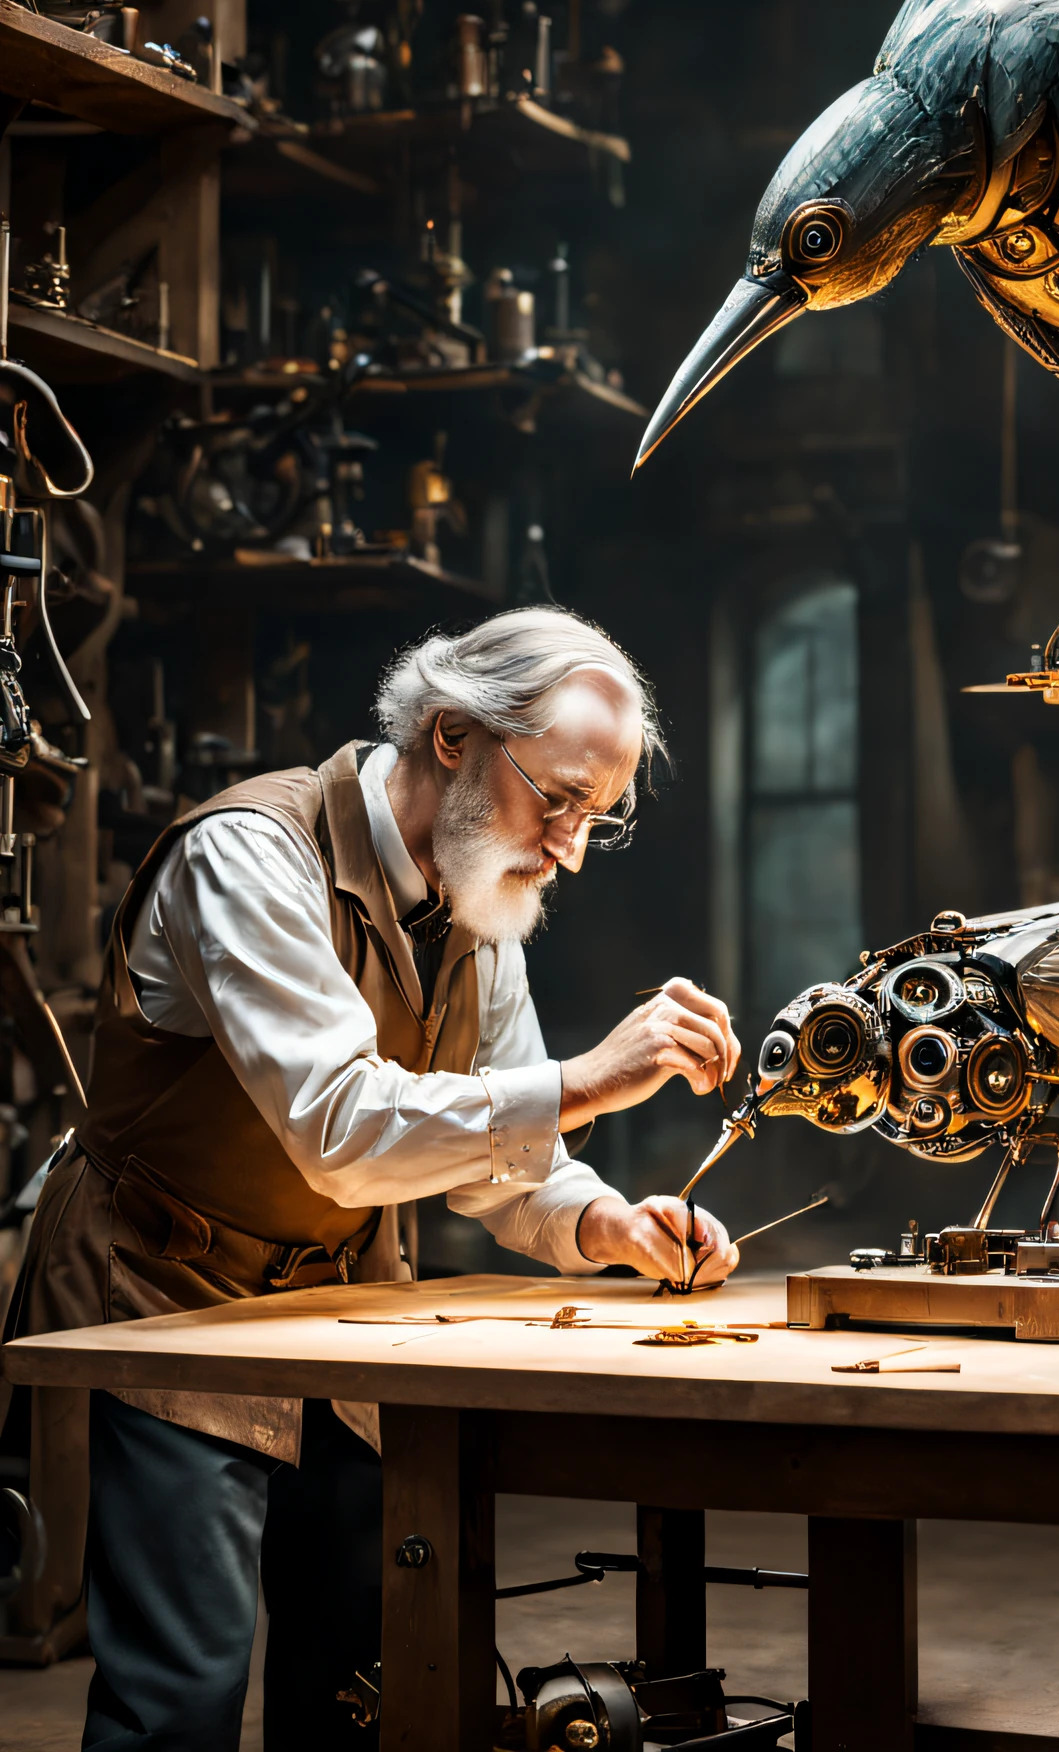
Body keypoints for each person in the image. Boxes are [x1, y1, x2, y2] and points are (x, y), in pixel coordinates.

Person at [4, 606, 740, 1752]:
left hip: (341, 1314)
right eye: (555, 800)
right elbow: (341, 1126)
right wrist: (590, 1078)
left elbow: (502, 1165)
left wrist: (606, 1220)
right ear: (451, 735)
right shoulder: (247, 854)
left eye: (598, 817)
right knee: (181, 1697)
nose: (568, 846)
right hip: (167, 1300)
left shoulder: (479, 900)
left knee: (360, 1682)